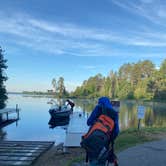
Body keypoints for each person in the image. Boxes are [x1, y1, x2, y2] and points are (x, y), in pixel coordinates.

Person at [87, 96, 119, 166]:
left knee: (93, 160)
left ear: (100, 102)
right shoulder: (114, 113)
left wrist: (97, 123)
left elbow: (88, 122)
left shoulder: (98, 108)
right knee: (101, 161)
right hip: (105, 142)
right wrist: (110, 139)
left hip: (93, 141)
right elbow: (116, 131)